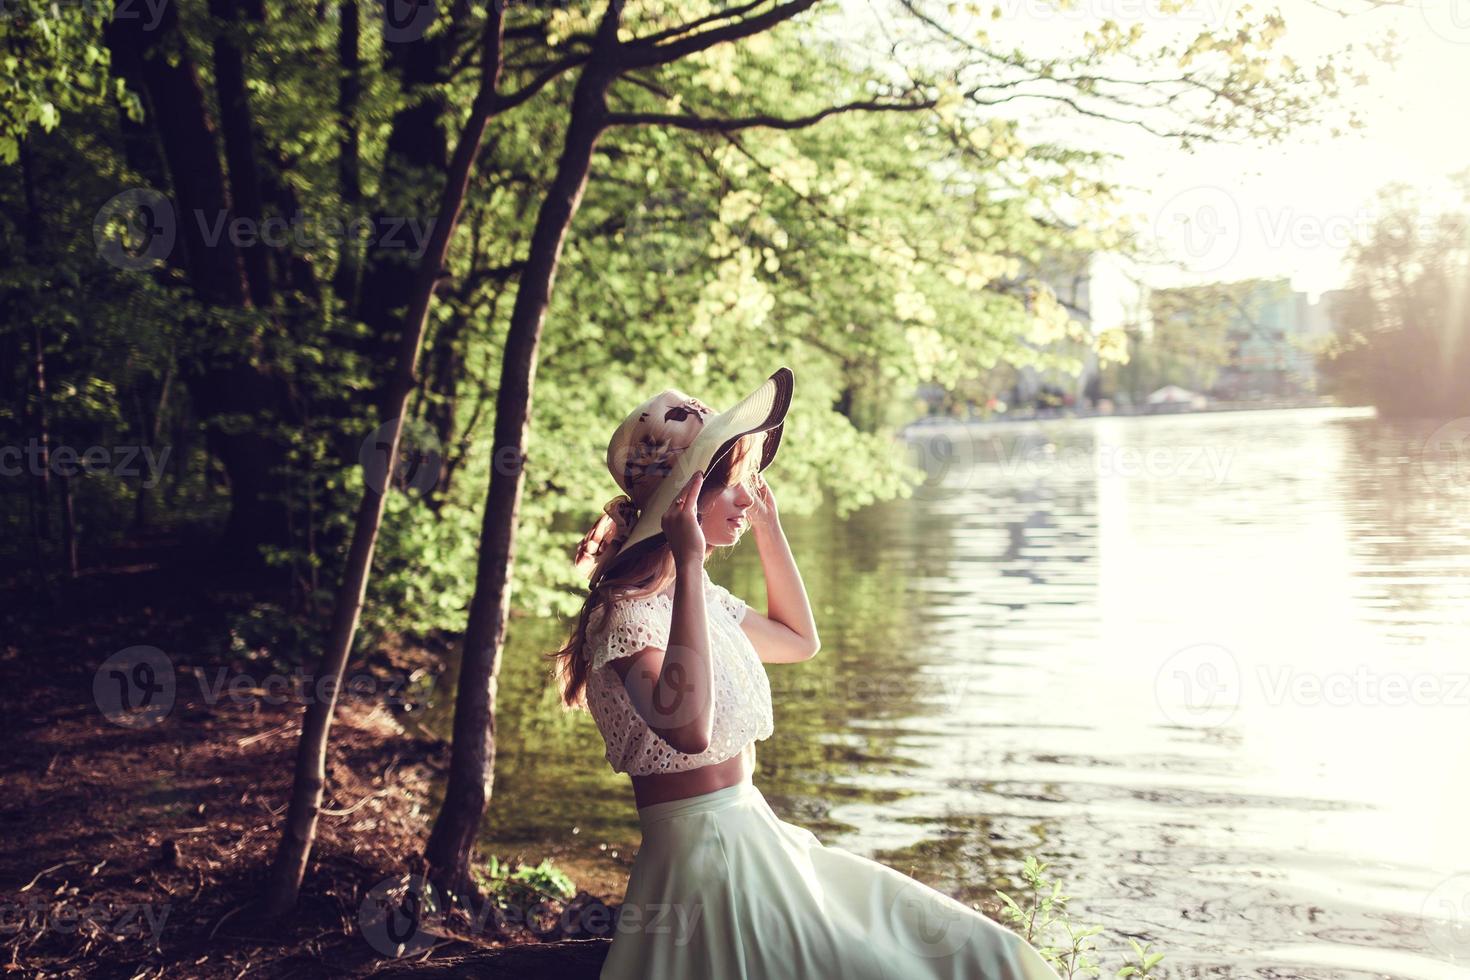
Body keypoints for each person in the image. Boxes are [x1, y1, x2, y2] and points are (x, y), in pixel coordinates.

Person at [551, 367, 1060, 979]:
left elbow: (798, 641)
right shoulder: (626, 615)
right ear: (683, 501)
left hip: (756, 835)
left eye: (749, 481)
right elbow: (688, 729)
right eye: (734, 483)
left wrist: (769, 530)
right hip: (706, 866)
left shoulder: (699, 597)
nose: (748, 495)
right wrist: (687, 564)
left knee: (974, 950)